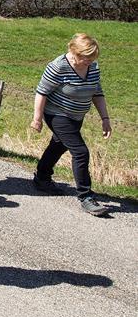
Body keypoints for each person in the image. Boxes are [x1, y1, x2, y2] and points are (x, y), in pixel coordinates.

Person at [31, 33, 113, 217]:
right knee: (80, 152)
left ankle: (42, 178)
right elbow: (41, 92)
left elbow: (97, 93)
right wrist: (37, 119)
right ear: (74, 52)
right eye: (86, 58)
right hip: (57, 114)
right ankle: (86, 197)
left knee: (59, 144)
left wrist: (105, 119)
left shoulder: (92, 67)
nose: (89, 62)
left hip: (77, 115)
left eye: (92, 58)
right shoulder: (58, 66)